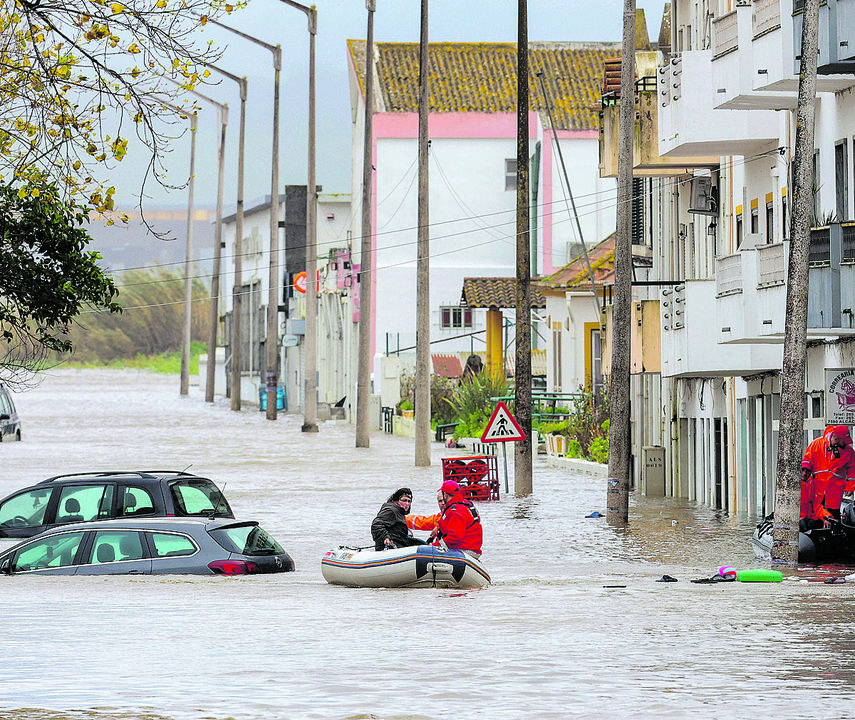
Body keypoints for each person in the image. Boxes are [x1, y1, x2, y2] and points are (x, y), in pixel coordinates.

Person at [800, 425, 855, 531]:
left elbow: (853, 470)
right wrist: (804, 479)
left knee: (833, 521)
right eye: (844, 441)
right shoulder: (816, 444)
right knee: (815, 520)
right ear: (836, 439)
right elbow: (807, 462)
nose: (846, 443)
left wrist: (850, 487)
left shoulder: (849, 451)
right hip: (816, 490)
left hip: (834, 493)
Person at [433, 479, 483, 558]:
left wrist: (434, 546)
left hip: (465, 550)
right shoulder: (464, 505)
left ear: (445, 495)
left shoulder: (455, 511)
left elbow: (454, 538)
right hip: (471, 548)